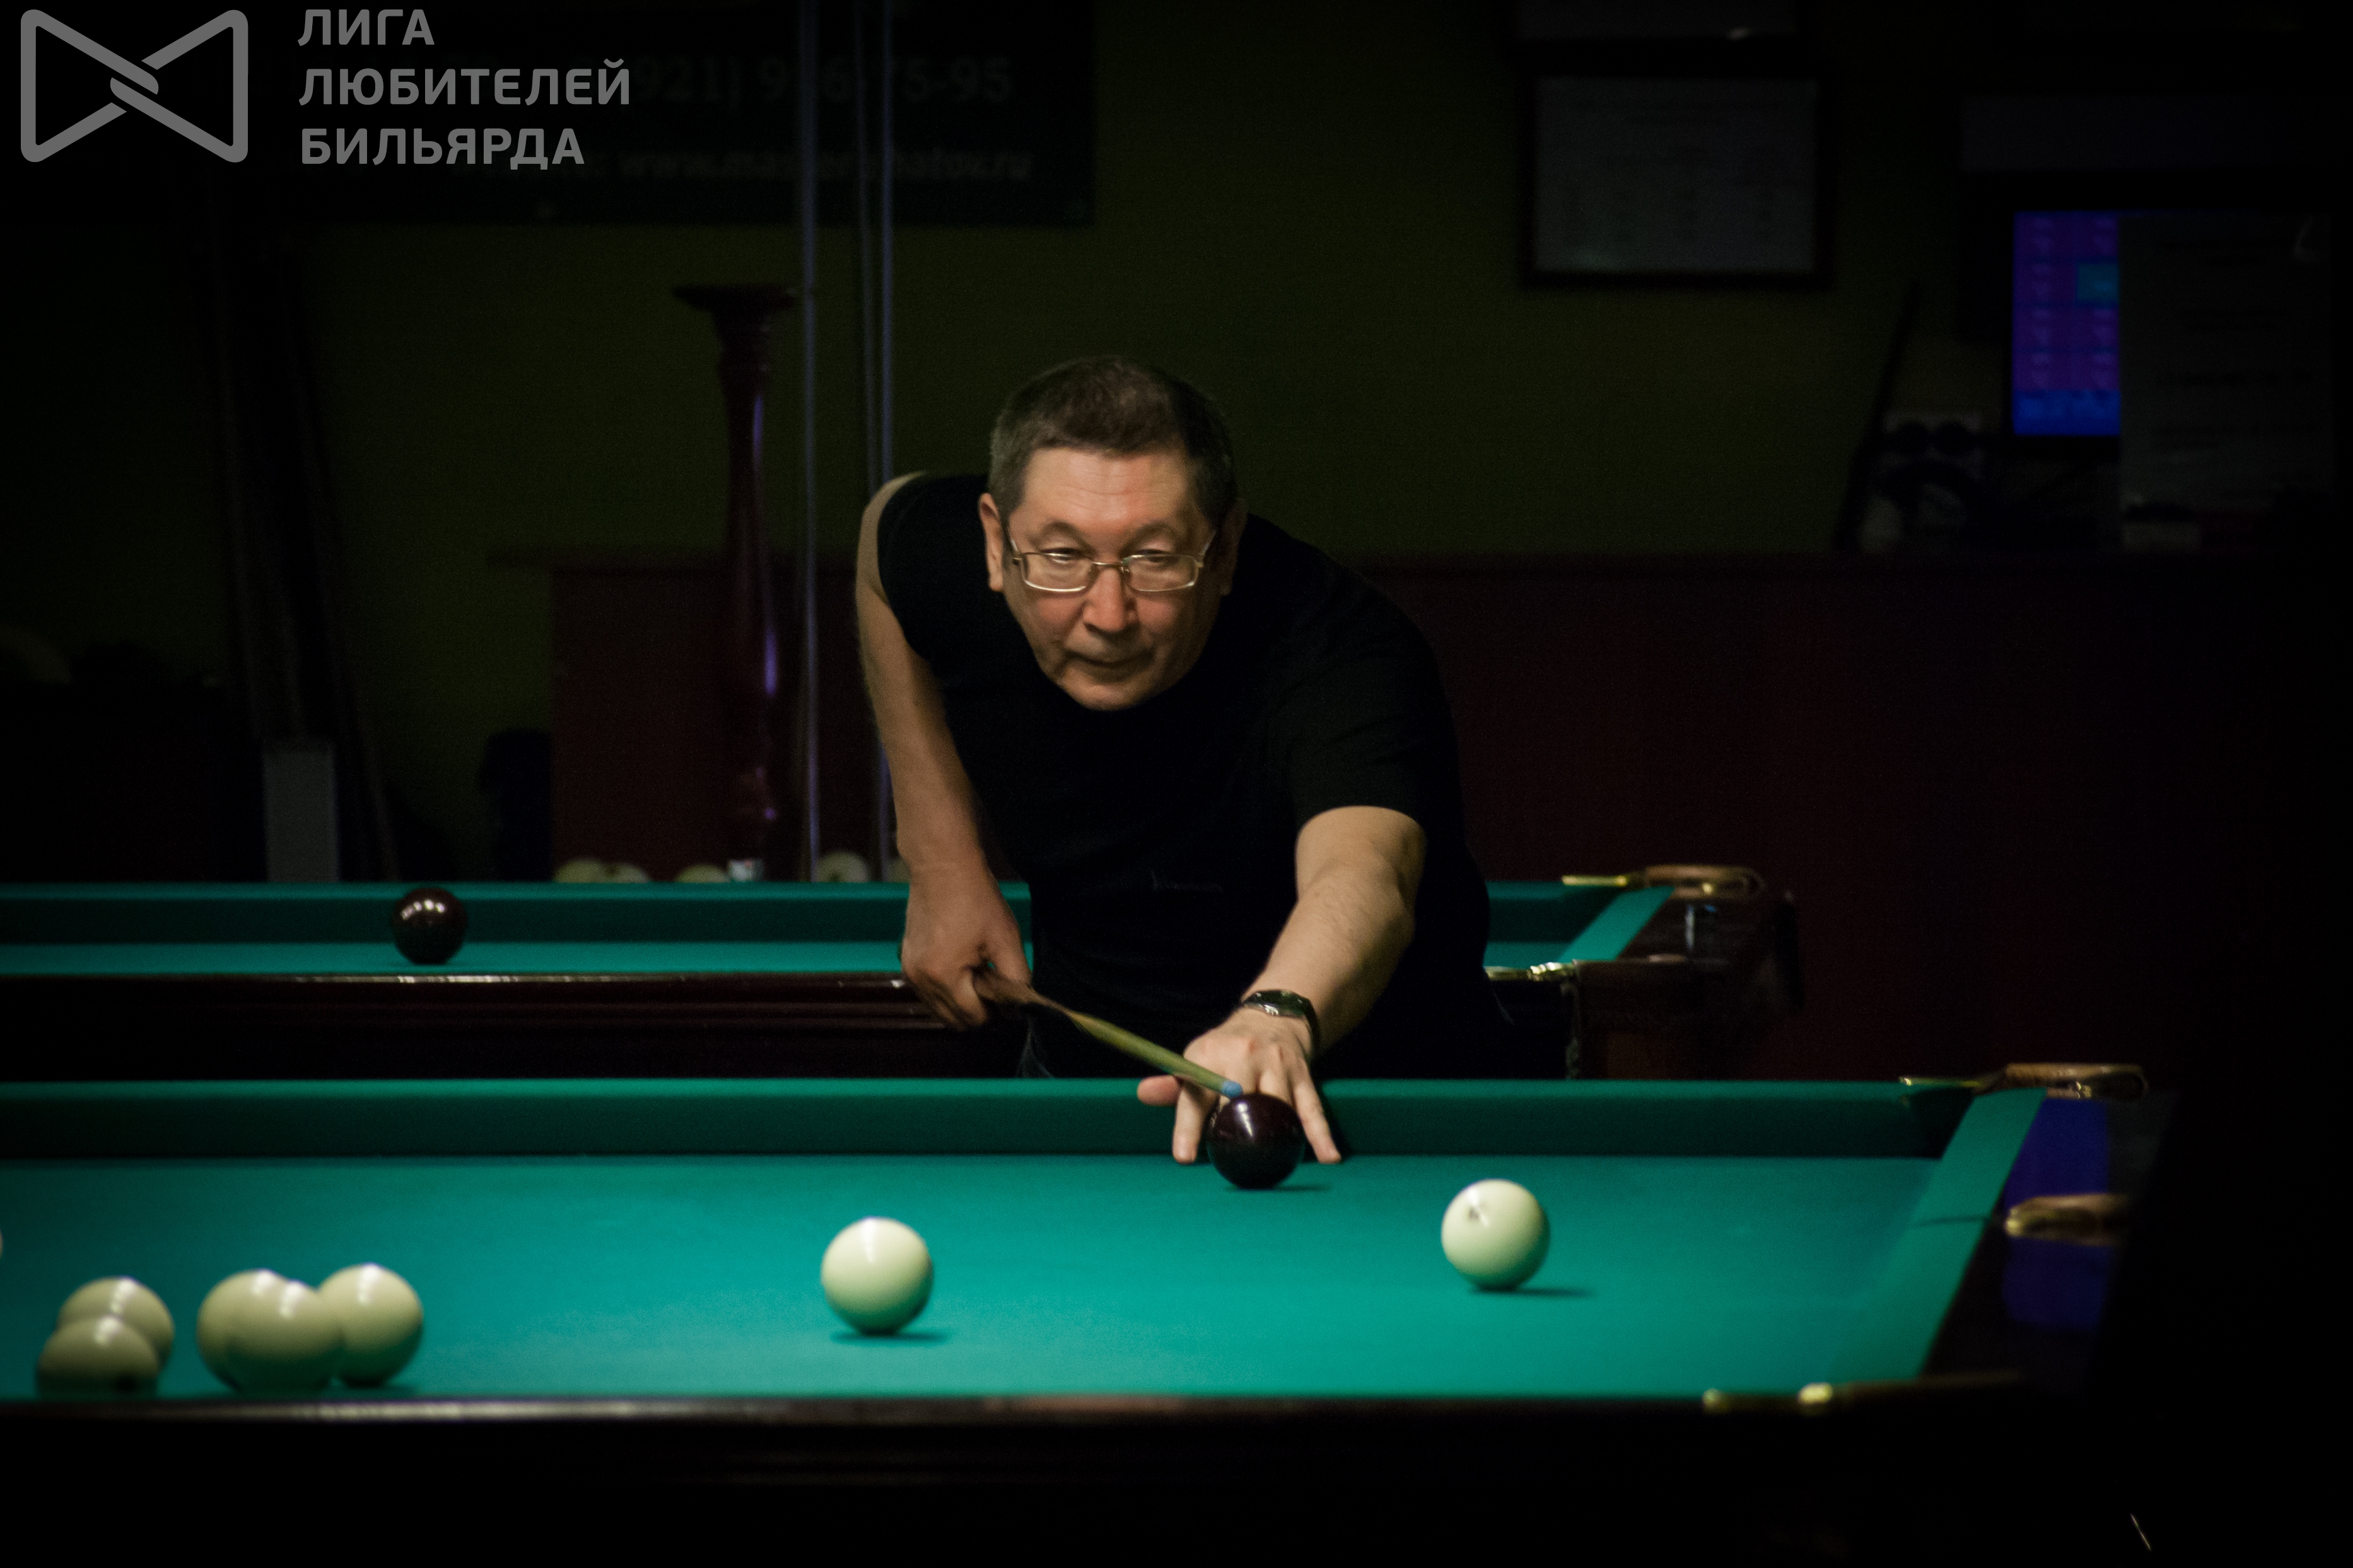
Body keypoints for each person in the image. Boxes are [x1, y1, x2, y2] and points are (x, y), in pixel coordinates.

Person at [856, 356, 1499, 1166]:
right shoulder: (964, 563)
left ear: (1222, 549)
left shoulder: (1342, 654)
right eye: (1063, 556)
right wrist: (941, 861)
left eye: (1154, 559)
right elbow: (881, 537)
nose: (1107, 613)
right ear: (994, 541)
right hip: (1086, 1093)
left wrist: (1276, 1017)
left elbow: (1367, 875)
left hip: (1368, 1108)